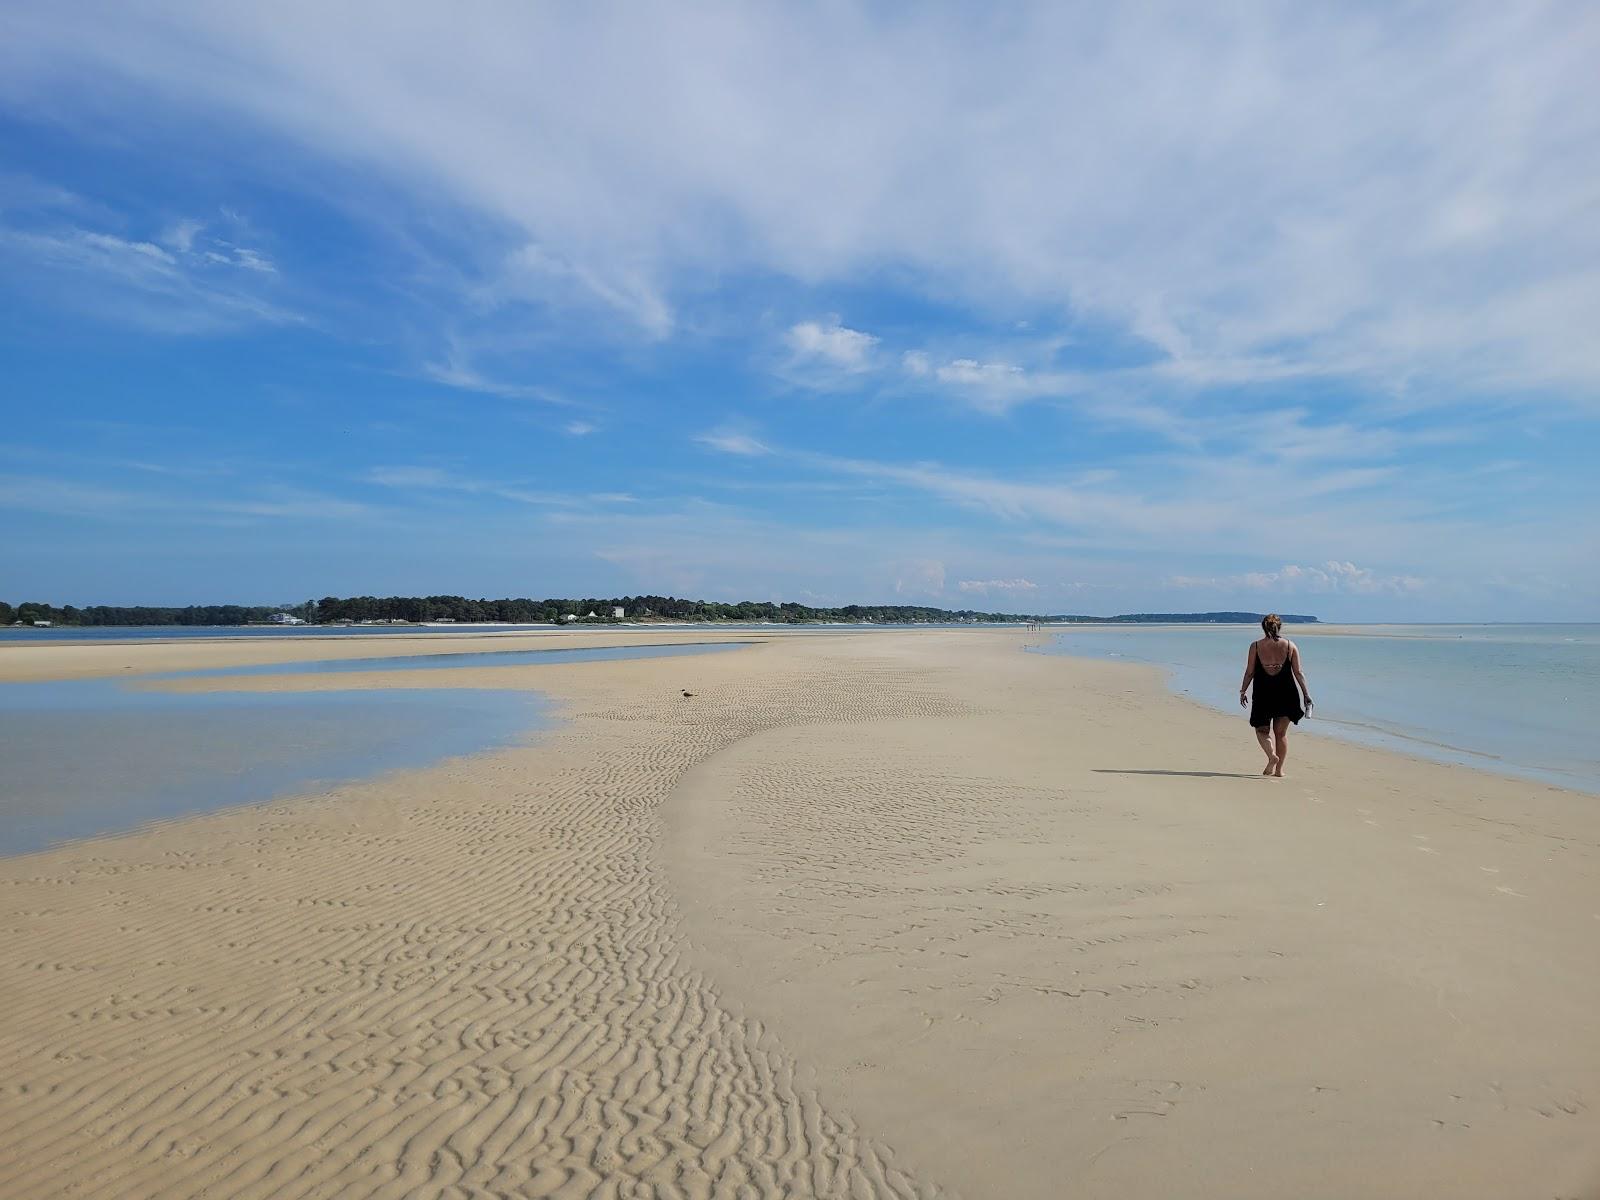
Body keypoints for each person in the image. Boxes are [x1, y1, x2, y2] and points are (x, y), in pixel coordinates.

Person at [1239, 613, 1312, 777]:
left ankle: (1272, 756)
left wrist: (1243, 690)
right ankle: (1279, 771)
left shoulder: (1255, 646)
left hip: (1263, 693)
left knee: (1261, 730)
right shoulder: (1290, 646)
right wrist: (1306, 694)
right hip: (1286, 693)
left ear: (1263, 628)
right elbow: (1298, 673)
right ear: (1279, 627)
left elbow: (1249, 672)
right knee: (1281, 734)